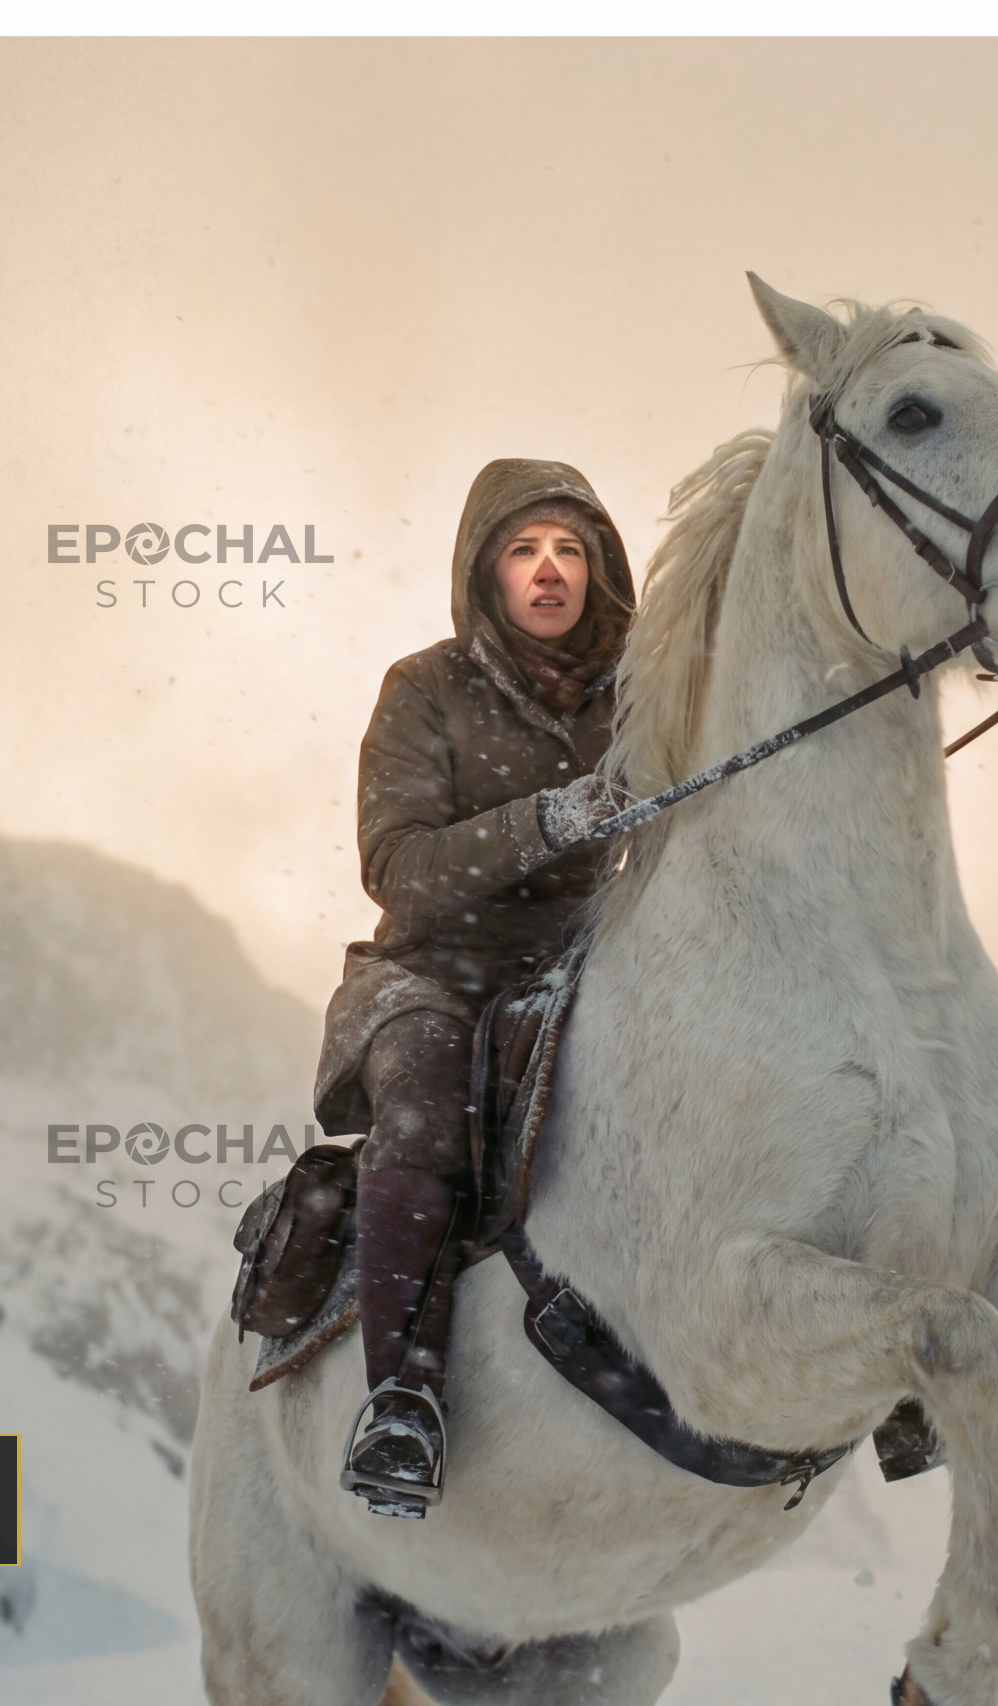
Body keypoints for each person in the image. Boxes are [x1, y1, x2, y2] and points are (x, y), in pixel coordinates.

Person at [312, 460, 634, 1514]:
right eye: (523, 548)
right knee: (425, 1090)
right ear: (483, 571)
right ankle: (402, 1397)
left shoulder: (641, 688)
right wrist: (551, 819)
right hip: (427, 976)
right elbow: (396, 866)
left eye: (570, 549)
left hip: (585, 967)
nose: (549, 570)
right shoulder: (422, 688)